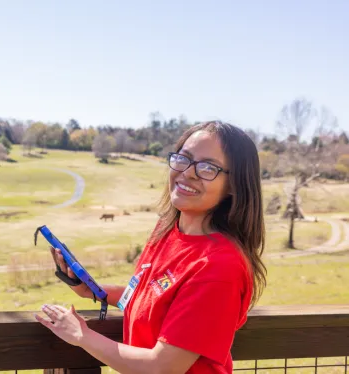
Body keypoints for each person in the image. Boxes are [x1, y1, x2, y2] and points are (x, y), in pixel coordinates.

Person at [35, 121, 266, 374]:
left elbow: (162, 367)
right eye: (184, 159)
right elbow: (152, 298)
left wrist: (82, 335)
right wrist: (92, 290)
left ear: (234, 185)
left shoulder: (219, 267)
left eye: (207, 167)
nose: (188, 172)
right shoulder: (167, 231)